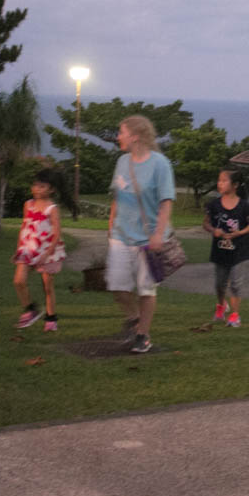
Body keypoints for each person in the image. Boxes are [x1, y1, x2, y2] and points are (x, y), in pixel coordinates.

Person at [107, 115, 176, 353]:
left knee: (146, 288)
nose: (118, 137)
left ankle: (143, 334)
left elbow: (166, 202)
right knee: (116, 285)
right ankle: (135, 317)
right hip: (121, 235)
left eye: (121, 132)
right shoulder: (122, 162)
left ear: (134, 136)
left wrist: (158, 234)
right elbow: (117, 195)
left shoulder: (160, 164)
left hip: (148, 238)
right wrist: (111, 223)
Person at [11, 169, 67, 332]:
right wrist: (19, 247)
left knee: (47, 286)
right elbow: (24, 226)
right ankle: (30, 309)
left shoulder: (52, 208)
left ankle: (51, 317)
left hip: (47, 251)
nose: (36, 189)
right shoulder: (28, 204)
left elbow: (57, 233)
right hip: (28, 248)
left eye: (42, 186)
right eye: (35, 185)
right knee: (18, 281)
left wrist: (47, 254)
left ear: (51, 190)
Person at [203, 170, 249, 327]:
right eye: (219, 181)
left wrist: (240, 232)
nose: (220, 184)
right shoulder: (214, 205)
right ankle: (221, 306)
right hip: (220, 250)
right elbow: (205, 223)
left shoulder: (244, 206)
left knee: (236, 284)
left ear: (235, 185)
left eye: (224, 181)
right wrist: (214, 230)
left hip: (239, 250)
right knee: (220, 284)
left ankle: (234, 315)